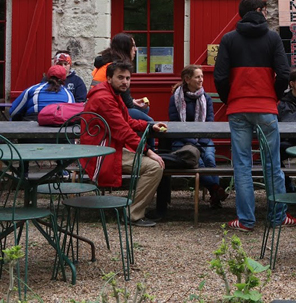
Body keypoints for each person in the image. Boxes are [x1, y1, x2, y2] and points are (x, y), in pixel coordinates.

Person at [214, 0, 296, 232]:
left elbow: (219, 76)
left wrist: (230, 98)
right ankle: (278, 216)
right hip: (266, 108)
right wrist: (275, 96)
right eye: (266, 10)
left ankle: (246, 220)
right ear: (259, 11)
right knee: (272, 165)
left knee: (242, 166)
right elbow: (283, 73)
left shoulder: (229, 39)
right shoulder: (272, 38)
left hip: (238, 110)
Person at [83, 61, 166, 227]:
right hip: (100, 153)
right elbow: (123, 130)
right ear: (108, 78)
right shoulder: (104, 98)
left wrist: (149, 126)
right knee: (154, 166)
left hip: (109, 148)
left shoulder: (111, 94)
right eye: (120, 77)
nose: (125, 82)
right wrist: (148, 151)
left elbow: (126, 121)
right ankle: (132, 214)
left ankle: (134, 210)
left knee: (156, 164)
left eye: (128, 78)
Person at [164, 64, 227, 211]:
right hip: (182, 141)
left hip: (204, 139)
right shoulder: (176, 98)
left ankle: (215, 194)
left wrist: (201, 141)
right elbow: (176, 125)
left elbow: (209, 123)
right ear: (187, 79)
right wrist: (193, 142)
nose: (201, 80)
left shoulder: (206, 98)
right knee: (198, 162)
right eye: (197, 77)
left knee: (210, 160)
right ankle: (216, 191)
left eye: (202, 76)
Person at [91, 33, 152, 123]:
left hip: (97, 106)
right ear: (126, 48)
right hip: (103, 110)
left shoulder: (106, 62)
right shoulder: (118, 67)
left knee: (144, 110)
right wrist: (131, 102)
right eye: (133, 46)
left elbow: (123, 98)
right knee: (149, 123)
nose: (135, 49)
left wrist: (133, 101)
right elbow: (127, 103)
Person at [10, 65, 75, 121]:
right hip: (59, 130)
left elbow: (13, 112)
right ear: (64, 78)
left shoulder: (33, 89)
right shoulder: (68, 94)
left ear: (47, 76)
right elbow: (72, 116)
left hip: (32, 126)